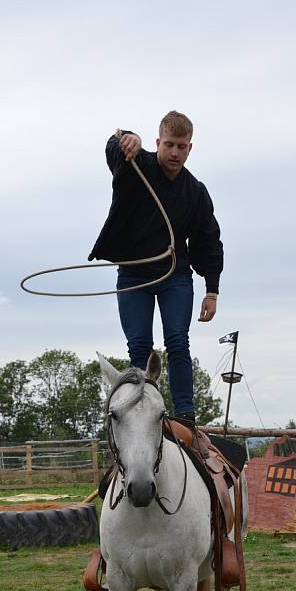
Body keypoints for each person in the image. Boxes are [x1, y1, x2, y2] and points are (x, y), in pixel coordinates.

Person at [88, 110, 223, 424]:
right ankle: (141, 410)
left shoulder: (195, 191)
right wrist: (125, 138)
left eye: (182, 146)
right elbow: (114, 144)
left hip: (174, 275)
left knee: (177, 340)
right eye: (169, 145)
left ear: (190, 148)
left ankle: (185, 414)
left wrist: (212, 290)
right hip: (134, 273)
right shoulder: (137, 164)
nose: (175, 153)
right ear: (157, 143)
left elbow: (209, 240)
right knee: (139, 347)